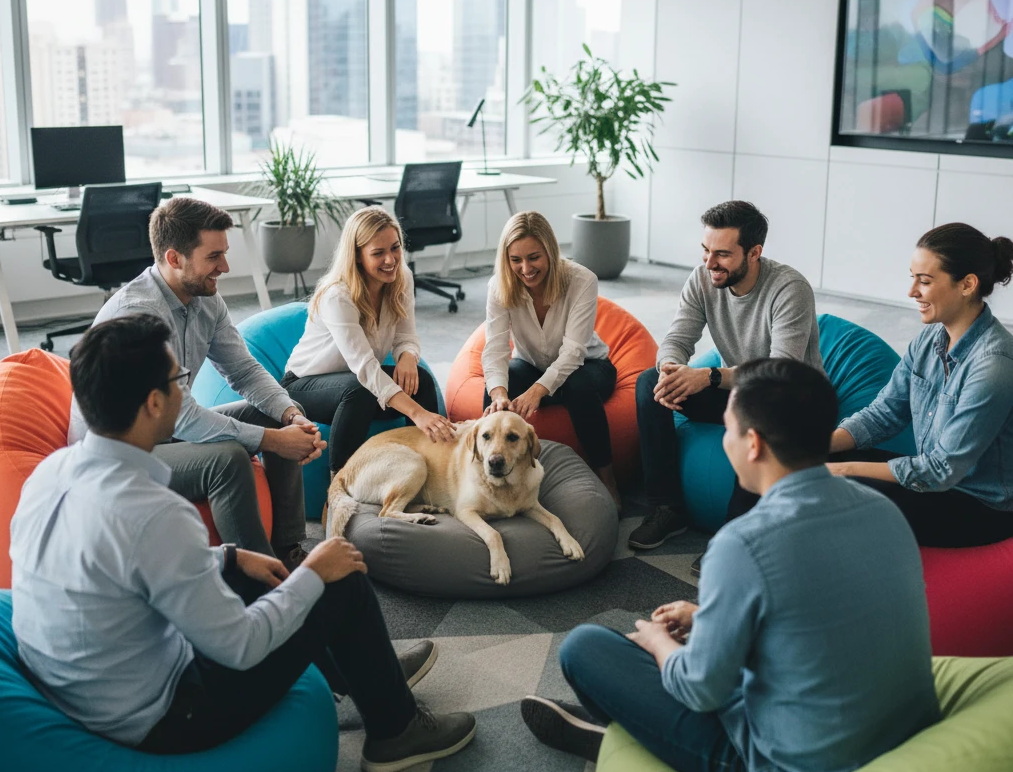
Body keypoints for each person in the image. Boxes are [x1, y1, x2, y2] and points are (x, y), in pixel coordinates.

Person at [11, 314, 476, 768]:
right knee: (341, 575)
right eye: (179, 378)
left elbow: (119, 563)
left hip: (84, 689)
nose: (184, 388)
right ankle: (397, 731)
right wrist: (313, 574)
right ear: (154, 403)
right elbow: (241, 646)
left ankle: (360, 675)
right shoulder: (154, 512)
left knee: (256, 571)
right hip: (164, 717)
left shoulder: (50, 474)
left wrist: (228, 556)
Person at [521, 358, 939, 772]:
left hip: (788, 770)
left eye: (728, 429)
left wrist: (657, 641)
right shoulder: (884, 509)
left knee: (585, 647)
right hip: (899, 735)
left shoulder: (742, 543)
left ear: (753, 443)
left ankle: (636, 747)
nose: (725, 442)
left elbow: (698, 689)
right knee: (717, 648)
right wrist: (708, 618)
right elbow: (815, 611)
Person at [69, 196, 323, 568]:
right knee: (228, 459)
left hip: (167, 427)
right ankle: (262, 577)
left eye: (224, 253)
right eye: (213, 256)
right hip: (123, 450)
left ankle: (287, 549)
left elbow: (243, 370)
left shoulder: (205, 297)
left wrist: (288, 417)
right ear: (174, 259)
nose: (225, 266)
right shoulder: (138, 316)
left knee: (280, 413)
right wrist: (274, 443)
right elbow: (186, 417)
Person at [629, 200, 823, 568]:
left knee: (758, 411)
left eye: (722, 254)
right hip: (732, 387)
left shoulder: (789, 288)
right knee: (648, 383)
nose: (709, 263)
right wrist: (670, 368)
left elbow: (781, 369)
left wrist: (711, 376)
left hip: (787, 398)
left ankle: (734, 536)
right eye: (705, 250)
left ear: (754, 253)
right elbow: (678, 337)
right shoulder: (703, 277)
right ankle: (666, 508)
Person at [827, 222, 1013, 547]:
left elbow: (940, 470)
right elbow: (885, 414)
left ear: (968, 284)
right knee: (796, 464)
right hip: (936, 484)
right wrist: (820, 445)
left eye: (924, 281)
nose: (911, 291)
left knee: (828, 490)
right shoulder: (930, 338)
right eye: (912, 277)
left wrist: (844, 469)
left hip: (977, 506)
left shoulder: (993, 365)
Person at [282, 207, 454, 477]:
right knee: (359, 391)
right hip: (304, 386)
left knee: (420, 381)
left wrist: (407, 357)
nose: (391, 260)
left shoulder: (401, 278)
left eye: (395, 248)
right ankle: (339, 488)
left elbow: (406, 336)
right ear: (358, 257)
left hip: (354, 385)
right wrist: (419, 414)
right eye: (378, 253)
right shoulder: (338, 295)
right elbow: (365, 368)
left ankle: (434, 472)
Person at [481, 211, 620, 506]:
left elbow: (574, 352)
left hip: (589, 367)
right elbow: (495, 348)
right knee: (494, 390)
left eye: (534, 257)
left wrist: (538, 391)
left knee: (577, 385)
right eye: (515, 260)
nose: (525, 268)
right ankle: (484, 479)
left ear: (550, 252)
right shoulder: (498, 286)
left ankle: (607, 478)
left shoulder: (582, 280)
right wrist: (499, 392)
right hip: (531, 365)